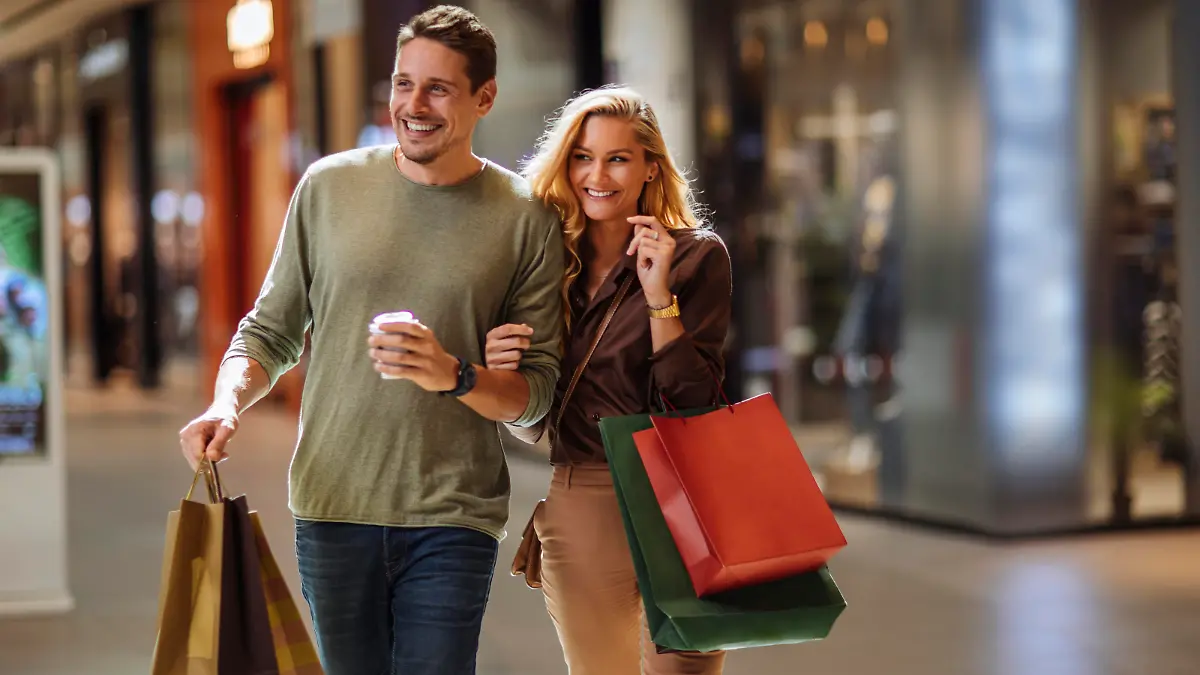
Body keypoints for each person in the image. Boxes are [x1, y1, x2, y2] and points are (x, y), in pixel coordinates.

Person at [177, 6, 564, 674]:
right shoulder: (328, 187)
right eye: (403, 83)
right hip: (333, 506)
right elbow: (268, 331)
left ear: (484, 98)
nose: (413, 105)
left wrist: (454, 373)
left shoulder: (524, 216)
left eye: (438, 88)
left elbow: (534, 399)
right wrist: (225, 402)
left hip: (454, 514)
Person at [485, 86, 732, 674]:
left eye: (618, 158)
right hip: (587, 499)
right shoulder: (544, 268)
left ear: (650, 167)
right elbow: (533, 424)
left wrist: (659, 297)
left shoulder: (696, 257)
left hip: (686, 497)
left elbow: (695, 403)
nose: (597, 175)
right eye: (583, 157)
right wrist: (502, 373)